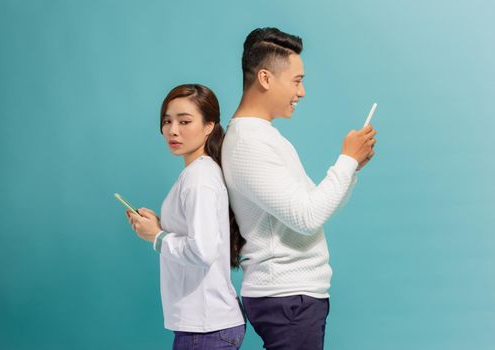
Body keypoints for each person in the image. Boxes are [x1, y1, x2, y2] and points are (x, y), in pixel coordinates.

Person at [221, 28, 377, 350]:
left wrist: (351, 168)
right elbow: (306, 217)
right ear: (265, 78)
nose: (302, 92)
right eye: (296, 80)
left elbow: (315, 209)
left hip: (293, 297)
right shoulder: (249, 143)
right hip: (287, 296)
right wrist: (345, 160)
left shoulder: (264, 137)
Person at [126, 84, 245, 350]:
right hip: (209, 325)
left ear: (208, 126)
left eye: (184, 121)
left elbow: (202, 251)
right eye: (167, 121)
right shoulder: (201, 173)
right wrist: (158, 225)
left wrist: (156, 237)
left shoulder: (198, 178)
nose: (173, 130)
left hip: (205, 329)